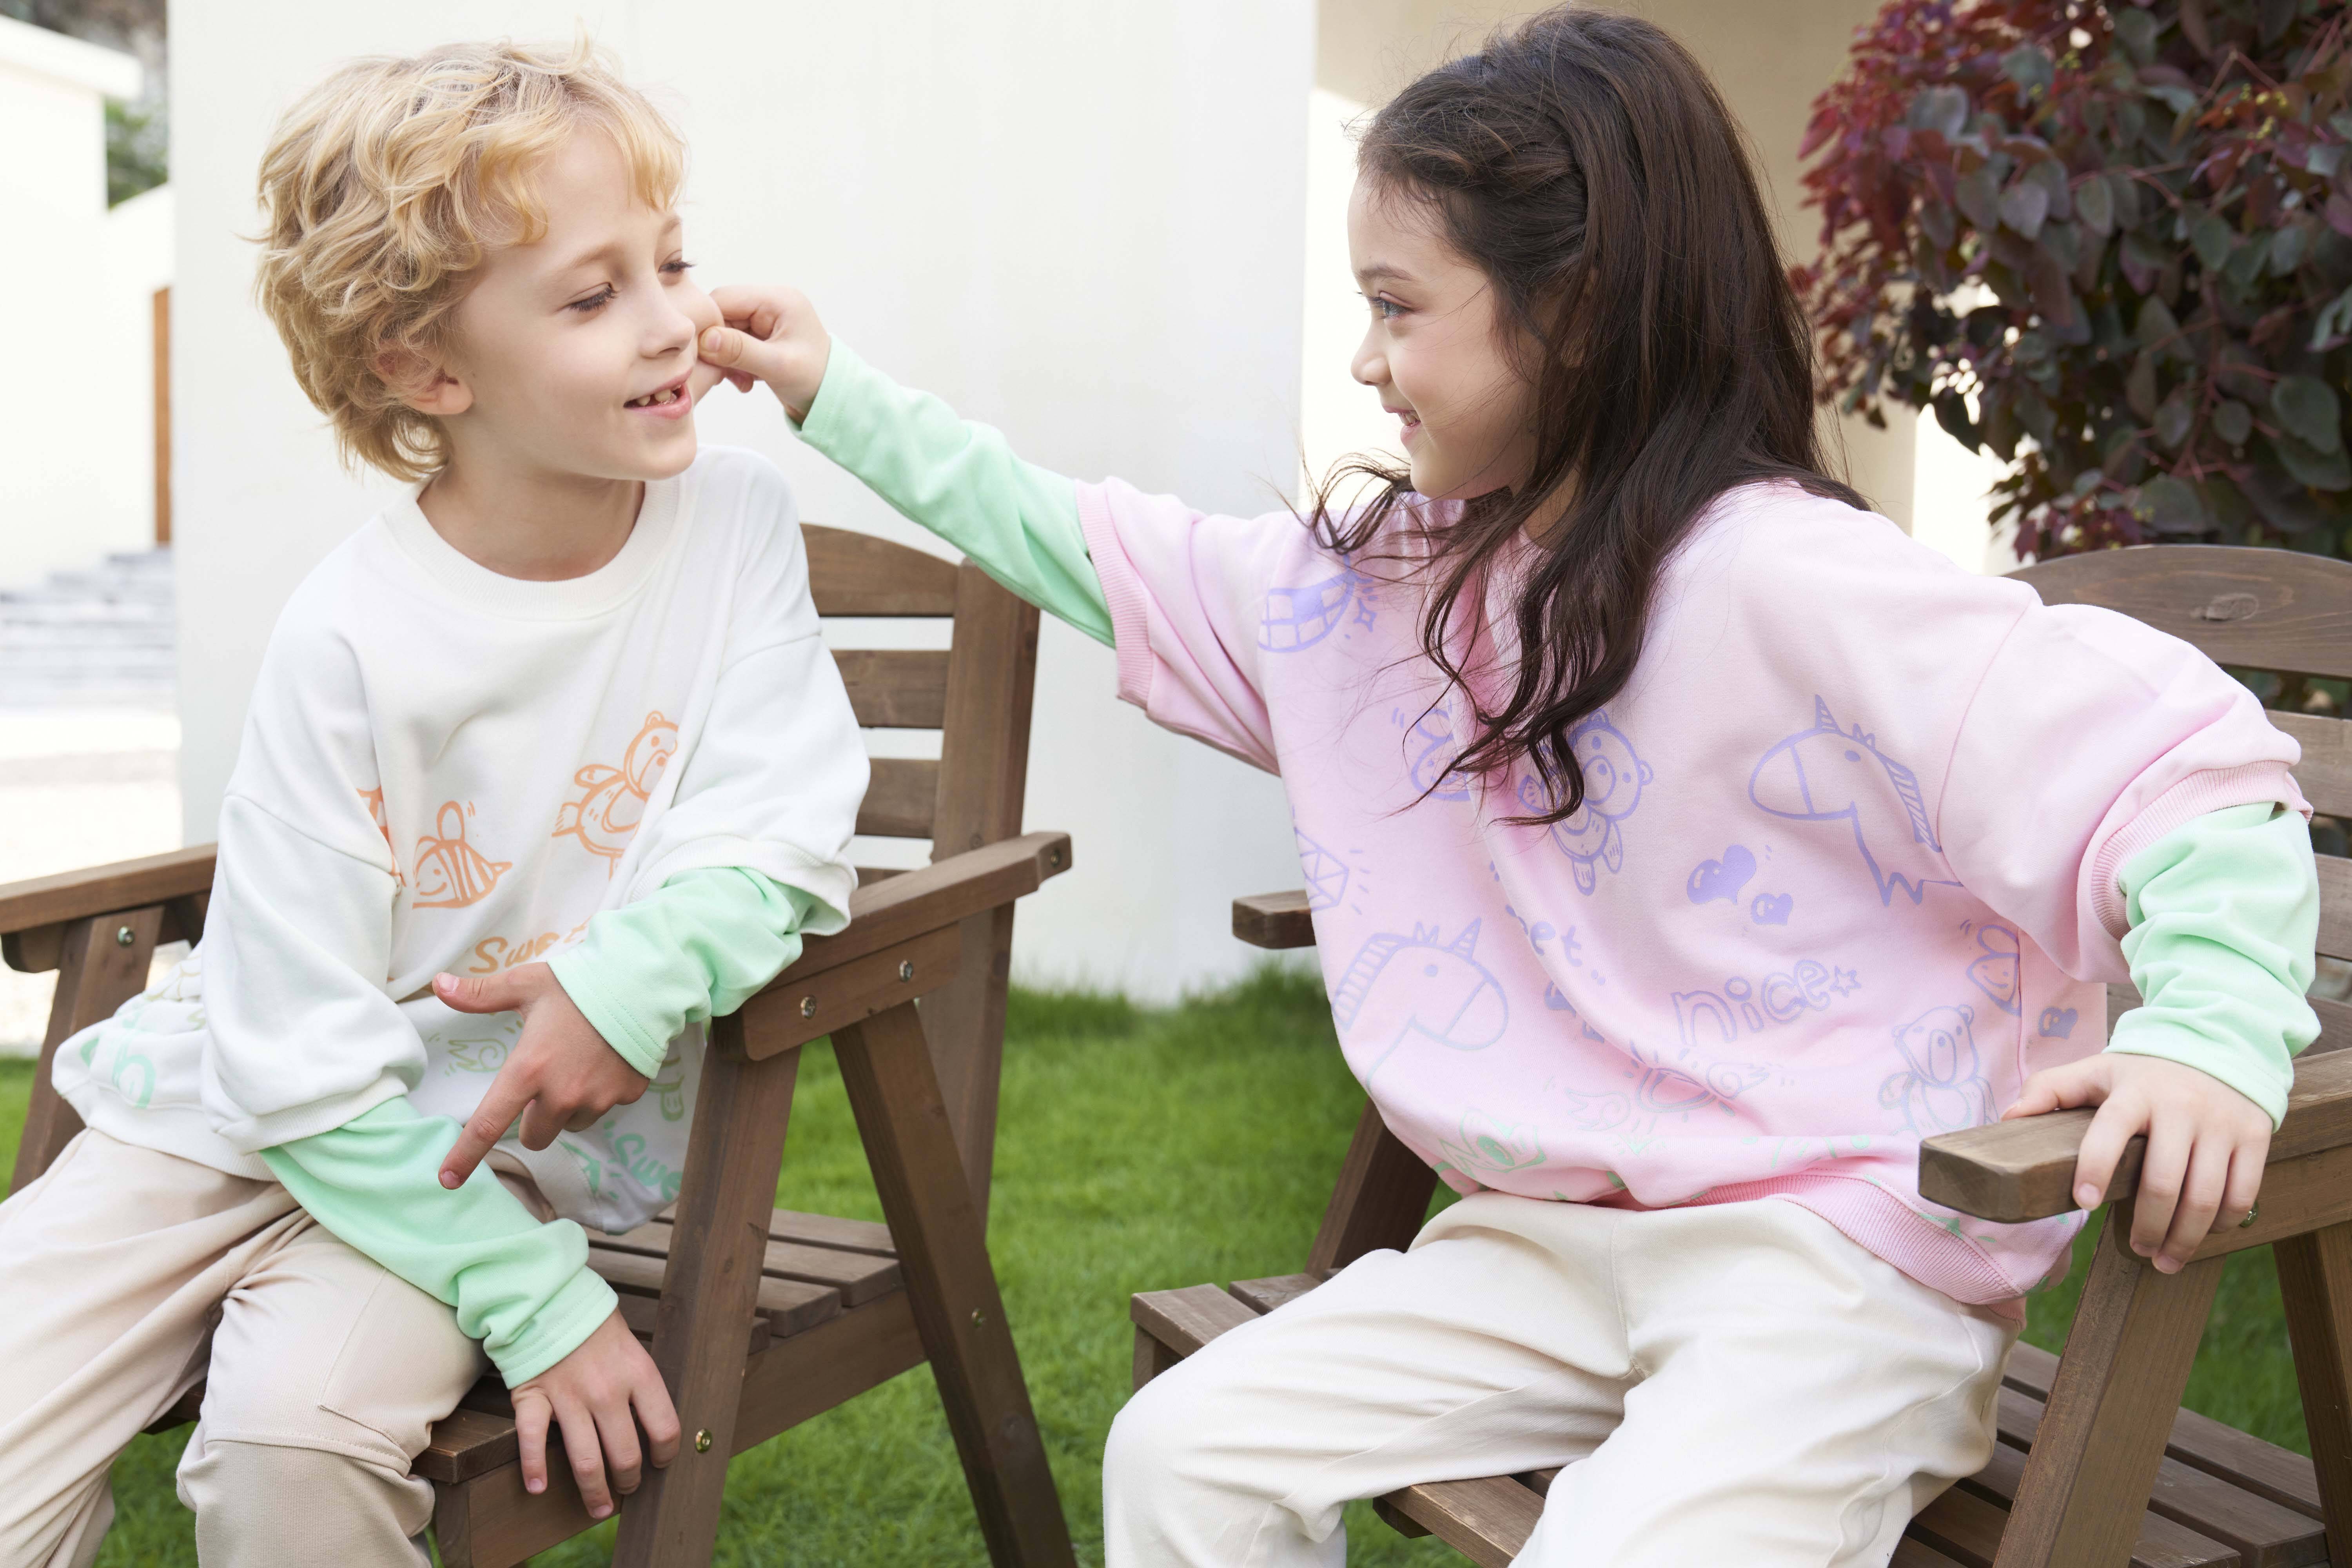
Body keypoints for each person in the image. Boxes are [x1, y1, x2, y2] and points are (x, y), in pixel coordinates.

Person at [696, 8, 2319, 1563]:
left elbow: (2182, 769)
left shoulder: (1794, 582)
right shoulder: (1394, 590)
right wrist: (839, 393)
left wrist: (2207, 1038)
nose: (1367, 356)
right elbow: (1099, 548)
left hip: (1835, 1273)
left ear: (1579, 313)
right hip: (1554, 1244)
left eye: (1400, 305)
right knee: (1184, 1448)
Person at [0, 38, 866, 1567]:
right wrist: (535, 1303)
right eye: (596, 296)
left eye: (670, 262)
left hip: (479, 1145)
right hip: (225, 1114)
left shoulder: (731, 531)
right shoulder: (349, 634)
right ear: (427, 370)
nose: (676, 323)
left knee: (290, 1445)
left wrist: (620, 984)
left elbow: (778, 825)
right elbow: (288, 1046)